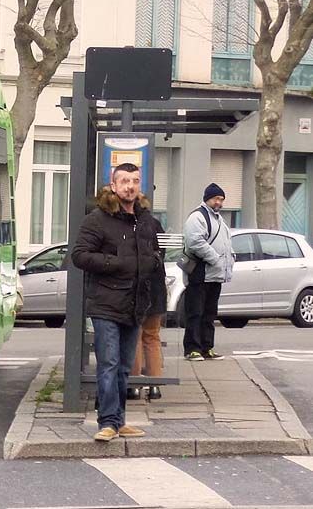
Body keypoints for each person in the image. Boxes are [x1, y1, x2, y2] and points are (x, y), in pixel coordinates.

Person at [70, 163, 161, 442]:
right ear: (113, 185)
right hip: (106, 303)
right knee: (108, 363)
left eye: (134, 181)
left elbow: (154, 253)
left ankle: (119, 421)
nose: (130, 186)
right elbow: (79, 255)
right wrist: (116, 263)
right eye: (124, 181)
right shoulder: (97, 219)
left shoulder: (145, 219)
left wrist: (152, 264)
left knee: (123, 366)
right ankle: (107, 422)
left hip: (135, 303)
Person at [182, 183, 235, 362]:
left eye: (221, 199)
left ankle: (207, 347)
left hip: (215, 274)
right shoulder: (198, 216)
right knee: (195, 312)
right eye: (216, 199)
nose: (219, 202)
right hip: (200, 272)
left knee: (209, 314)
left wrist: (230, 258)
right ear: (207, 199)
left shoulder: (219, 219)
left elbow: (226, 243)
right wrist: (215, 258)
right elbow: (195, 241)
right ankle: (193, 349)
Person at [129, 193, 167, 401]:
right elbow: (161, 253)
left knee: (135, 335)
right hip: (157, 289)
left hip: (136, 289)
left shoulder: (128, 225)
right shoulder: (154, 224)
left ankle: (134, 384)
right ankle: (155, 385)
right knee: (152, 337)